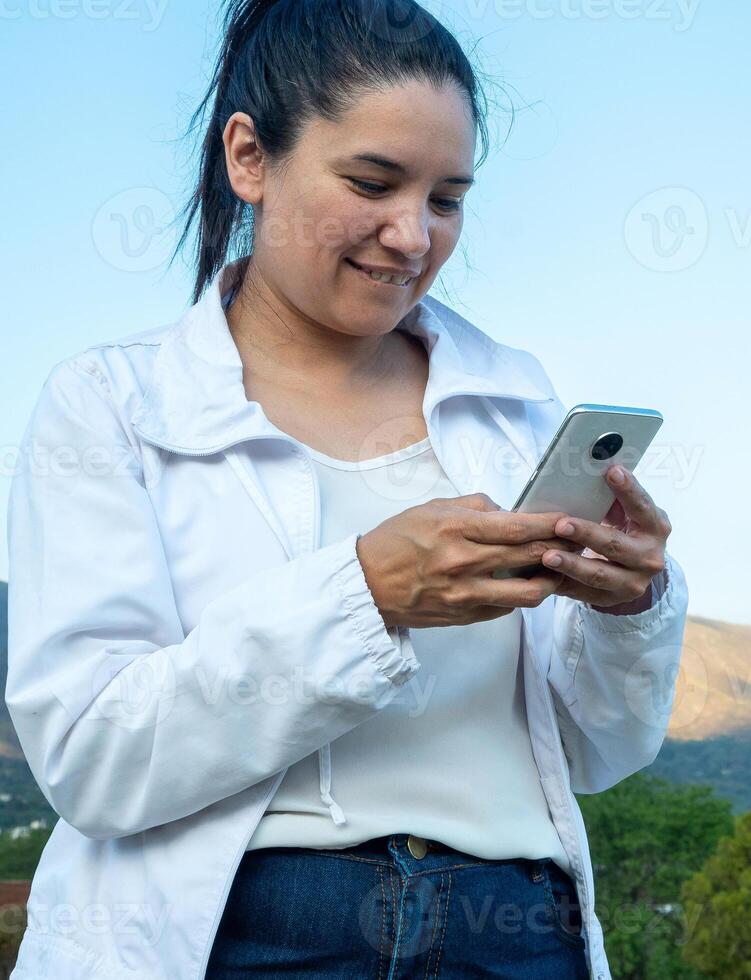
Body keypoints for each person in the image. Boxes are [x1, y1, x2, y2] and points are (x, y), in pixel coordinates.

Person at [3, 1, 687, 978]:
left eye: (448, 198)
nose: (412, 234)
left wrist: (631, 608)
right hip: (247, 934)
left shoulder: (516, 407)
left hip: (515, 928)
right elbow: (90, 754)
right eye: (373, 181)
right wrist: (366, 595)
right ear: (249, 157)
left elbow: (593, 751)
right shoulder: (111, 405)